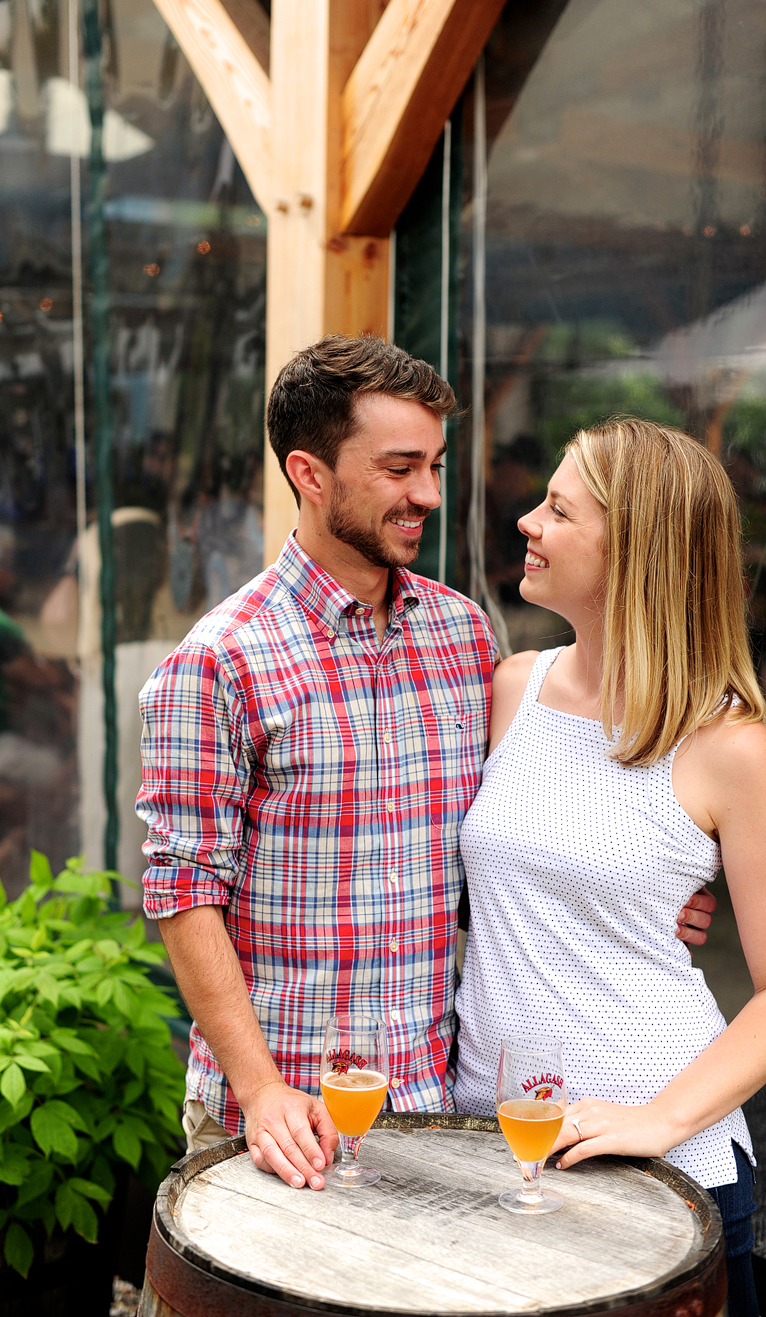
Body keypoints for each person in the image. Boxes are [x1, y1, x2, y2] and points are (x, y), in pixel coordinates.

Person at [137, 338, 715, 1192]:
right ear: (311, 473)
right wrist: (259, 1089)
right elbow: (184, 893)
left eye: (436, 465)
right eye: (401, 467)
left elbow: (499, 833)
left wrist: (639, 892)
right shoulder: (219, 660)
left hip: (445, 1104)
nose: (430, 496)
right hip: (290, 1114)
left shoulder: (463, 636)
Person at [453, 418, 765, 1316]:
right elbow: (505, 881)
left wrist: (659, 1119)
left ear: (636, 552)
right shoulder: (512, 685)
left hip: (663, 1178)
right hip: (485, 1142)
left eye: (558, 509)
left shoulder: (729, 746)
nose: (526, 521)